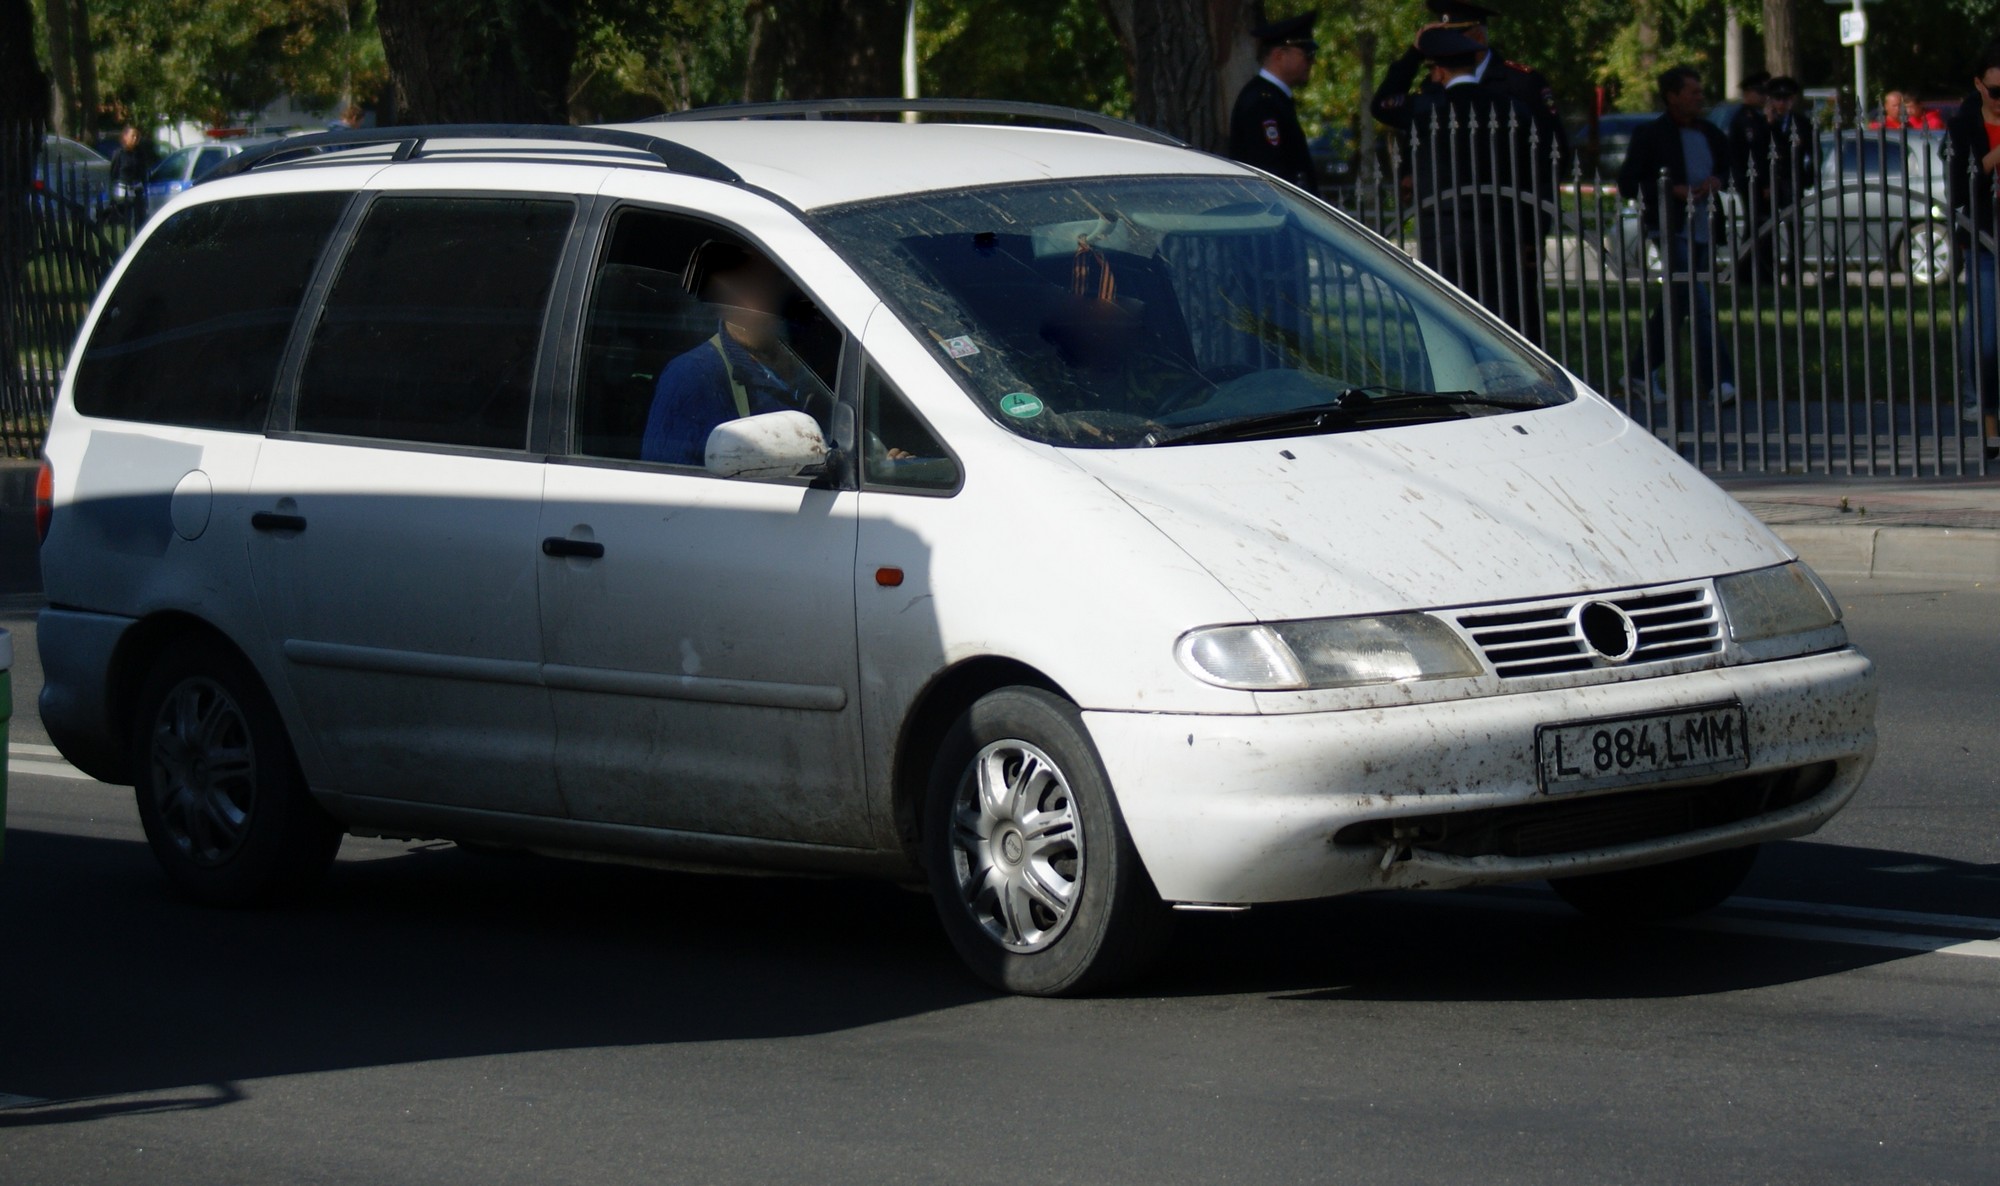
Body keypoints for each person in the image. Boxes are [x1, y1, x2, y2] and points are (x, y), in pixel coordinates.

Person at [1371, 1, 1566, 345]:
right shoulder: (1507, 106)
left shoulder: (1520, 84)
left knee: (1508, 325)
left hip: (1497, 229)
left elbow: (1547, 161)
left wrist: (1534, 233)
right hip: (1467, 227)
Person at [1398, 26, 1540, 339]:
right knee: (1501, 324)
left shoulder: (1425, 112)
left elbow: (1384, 102)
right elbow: (1532, 176)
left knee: (1449, 325)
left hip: (1443, 231)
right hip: (1499, 228)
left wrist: (1412, 54)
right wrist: (1532, 234)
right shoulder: (1510, 110)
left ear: (1438, 70)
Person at [640, 242, 831, 466]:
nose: (763, 304)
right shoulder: (690, 376)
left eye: (770, 285)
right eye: (746, 289)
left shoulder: (817, 358)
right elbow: (664, 484)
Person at [1618, 66, 1737, 405]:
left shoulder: (1710, 133)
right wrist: (1672, 189)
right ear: (1672, 96)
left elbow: (1731, 169)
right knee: (1698, 303)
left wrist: (1717, 181)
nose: (1699, 98)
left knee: (1676, 305)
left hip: (1702, 228)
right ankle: (1719, 381)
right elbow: (1629, 182)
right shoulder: (1651, 134)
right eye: (1692, 92)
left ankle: (1639, 373)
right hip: (1670, 228)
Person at [1946, 44, 2000, 451]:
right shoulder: (1964, 125)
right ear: (1979, 85)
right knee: (1985, 336)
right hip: (1983, 236)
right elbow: (1959, 189)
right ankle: (1980, 406)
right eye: (1996, 91)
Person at [1734, 75, 1816, 280]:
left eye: (1785, 98)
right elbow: (1758, 151)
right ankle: (1762, 272)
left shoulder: (1802, 122)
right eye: (1777, 98)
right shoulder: (1759, 121)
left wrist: (1807, 176)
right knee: (1763, 228)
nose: (1781, 103)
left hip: (1791, 180)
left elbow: (1812, 153)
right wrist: (1769, 125)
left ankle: (1794, 273)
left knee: (1795, 228)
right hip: (1768, 181)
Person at [1227, 13, 1319, 191]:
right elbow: (1269, 169)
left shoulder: (1275, 97)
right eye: (1306, 54)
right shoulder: (1261, 102)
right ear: (1279, 55)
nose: (1312, 61)